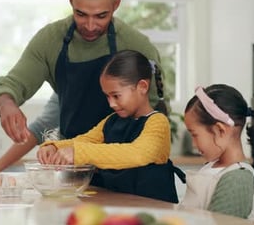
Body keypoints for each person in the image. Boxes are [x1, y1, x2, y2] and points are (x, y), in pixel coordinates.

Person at [0, 0, 165, 174]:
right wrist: (6, 103)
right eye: (81, 14)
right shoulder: (50, 42)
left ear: (116, 5)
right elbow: (21, 96)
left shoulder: (139, 46)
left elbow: (153, 119)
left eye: (101, 16)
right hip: (76, 172)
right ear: (71, 0)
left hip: (130, 173)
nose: (89, 25)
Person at [37, 50, 184, 203]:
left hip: (156, 212)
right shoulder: (111, 120)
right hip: (120, 206)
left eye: (116, 95)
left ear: (142, 87)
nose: (111, 103)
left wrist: (79, 153)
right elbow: (86, 140)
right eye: (107, 96)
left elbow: (137, 154)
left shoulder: (158, 123)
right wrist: (54, 146)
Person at [180, 84, 254, 219]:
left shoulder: (237, 179)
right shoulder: (212, 166)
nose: (193, 143)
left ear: (220, 130)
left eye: (194, 135)